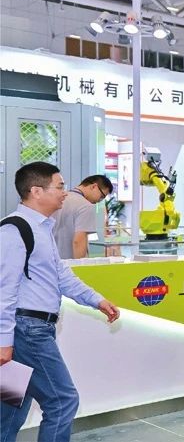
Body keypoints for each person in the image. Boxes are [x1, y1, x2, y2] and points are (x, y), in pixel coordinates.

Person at [0, 162, 120, 442]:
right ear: (36, 191)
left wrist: (97, 300)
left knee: (13, 405)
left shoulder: (42, 228)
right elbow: (4, 290)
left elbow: (61, 276)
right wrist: (3, 340)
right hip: (27, 330)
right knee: (62, 401)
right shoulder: (14, 230)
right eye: (60, 186)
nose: (65, 192)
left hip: (31, 328)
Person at [52, 174, 112, 259]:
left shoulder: (59, 199)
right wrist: (81, 265)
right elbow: (79, 241)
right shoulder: (86, 206)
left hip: (51, 260)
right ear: (94, 186)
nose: (99, 201)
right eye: (101, 196)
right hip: (69, 262)